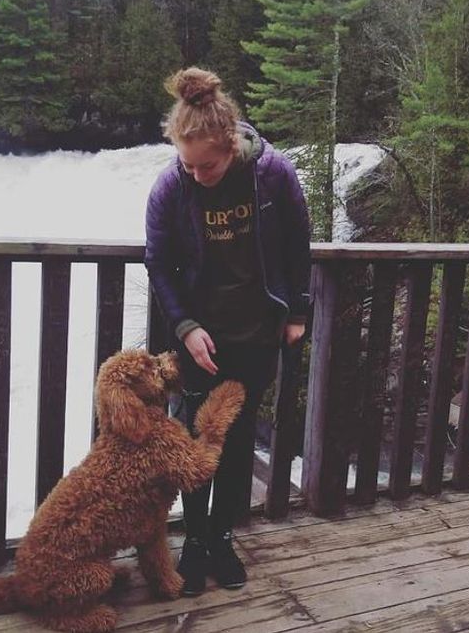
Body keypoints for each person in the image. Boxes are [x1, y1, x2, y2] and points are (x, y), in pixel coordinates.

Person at [144, 67, 312, 595]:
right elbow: (159, 263)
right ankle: (193, 542)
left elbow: (298, 244)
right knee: (198, 439)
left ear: (230, 143)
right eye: (187, 164)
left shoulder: (273, 174)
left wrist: (297, 312)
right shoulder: (171, 187)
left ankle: (222, 538)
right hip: (201, 338)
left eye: (207, 165)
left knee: (237, 442)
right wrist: (185, 326)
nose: (196, 174)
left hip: (258, 333)